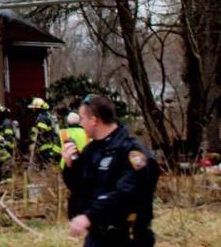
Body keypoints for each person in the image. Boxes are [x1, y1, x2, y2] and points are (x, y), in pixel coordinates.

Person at [61, 94, 159, 246]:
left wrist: (89, 217)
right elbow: (80, 188)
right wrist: (70, 166)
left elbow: (126, 194)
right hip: (97, 236)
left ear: (94, 120)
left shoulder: (131, 151)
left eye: (82, 118)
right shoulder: (91, 150)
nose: (80, 124)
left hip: (128, 238)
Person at [28, 97, 61, 166]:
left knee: (45, 164)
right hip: (50, 143)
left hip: (45, 145)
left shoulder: (42, 117)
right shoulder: (47, 115)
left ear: (38, 109)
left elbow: (40, 131)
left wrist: (33, 140)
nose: (33, 110)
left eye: (34, 108)